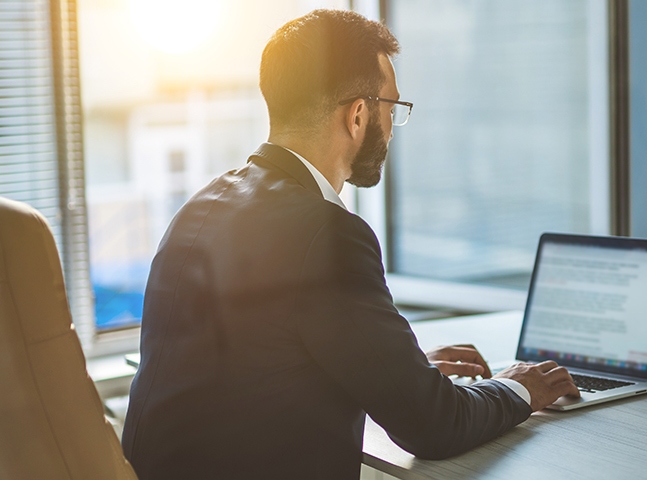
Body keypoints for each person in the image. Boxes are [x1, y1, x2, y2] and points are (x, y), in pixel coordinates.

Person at [121, 9, 579, 480]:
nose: (392, 125)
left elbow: (256, 361)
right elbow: (436, 427)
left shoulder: (203, 207)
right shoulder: (326, 232)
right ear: (358, 114)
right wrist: (517, 388)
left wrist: (399, 370)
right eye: (391, 108)